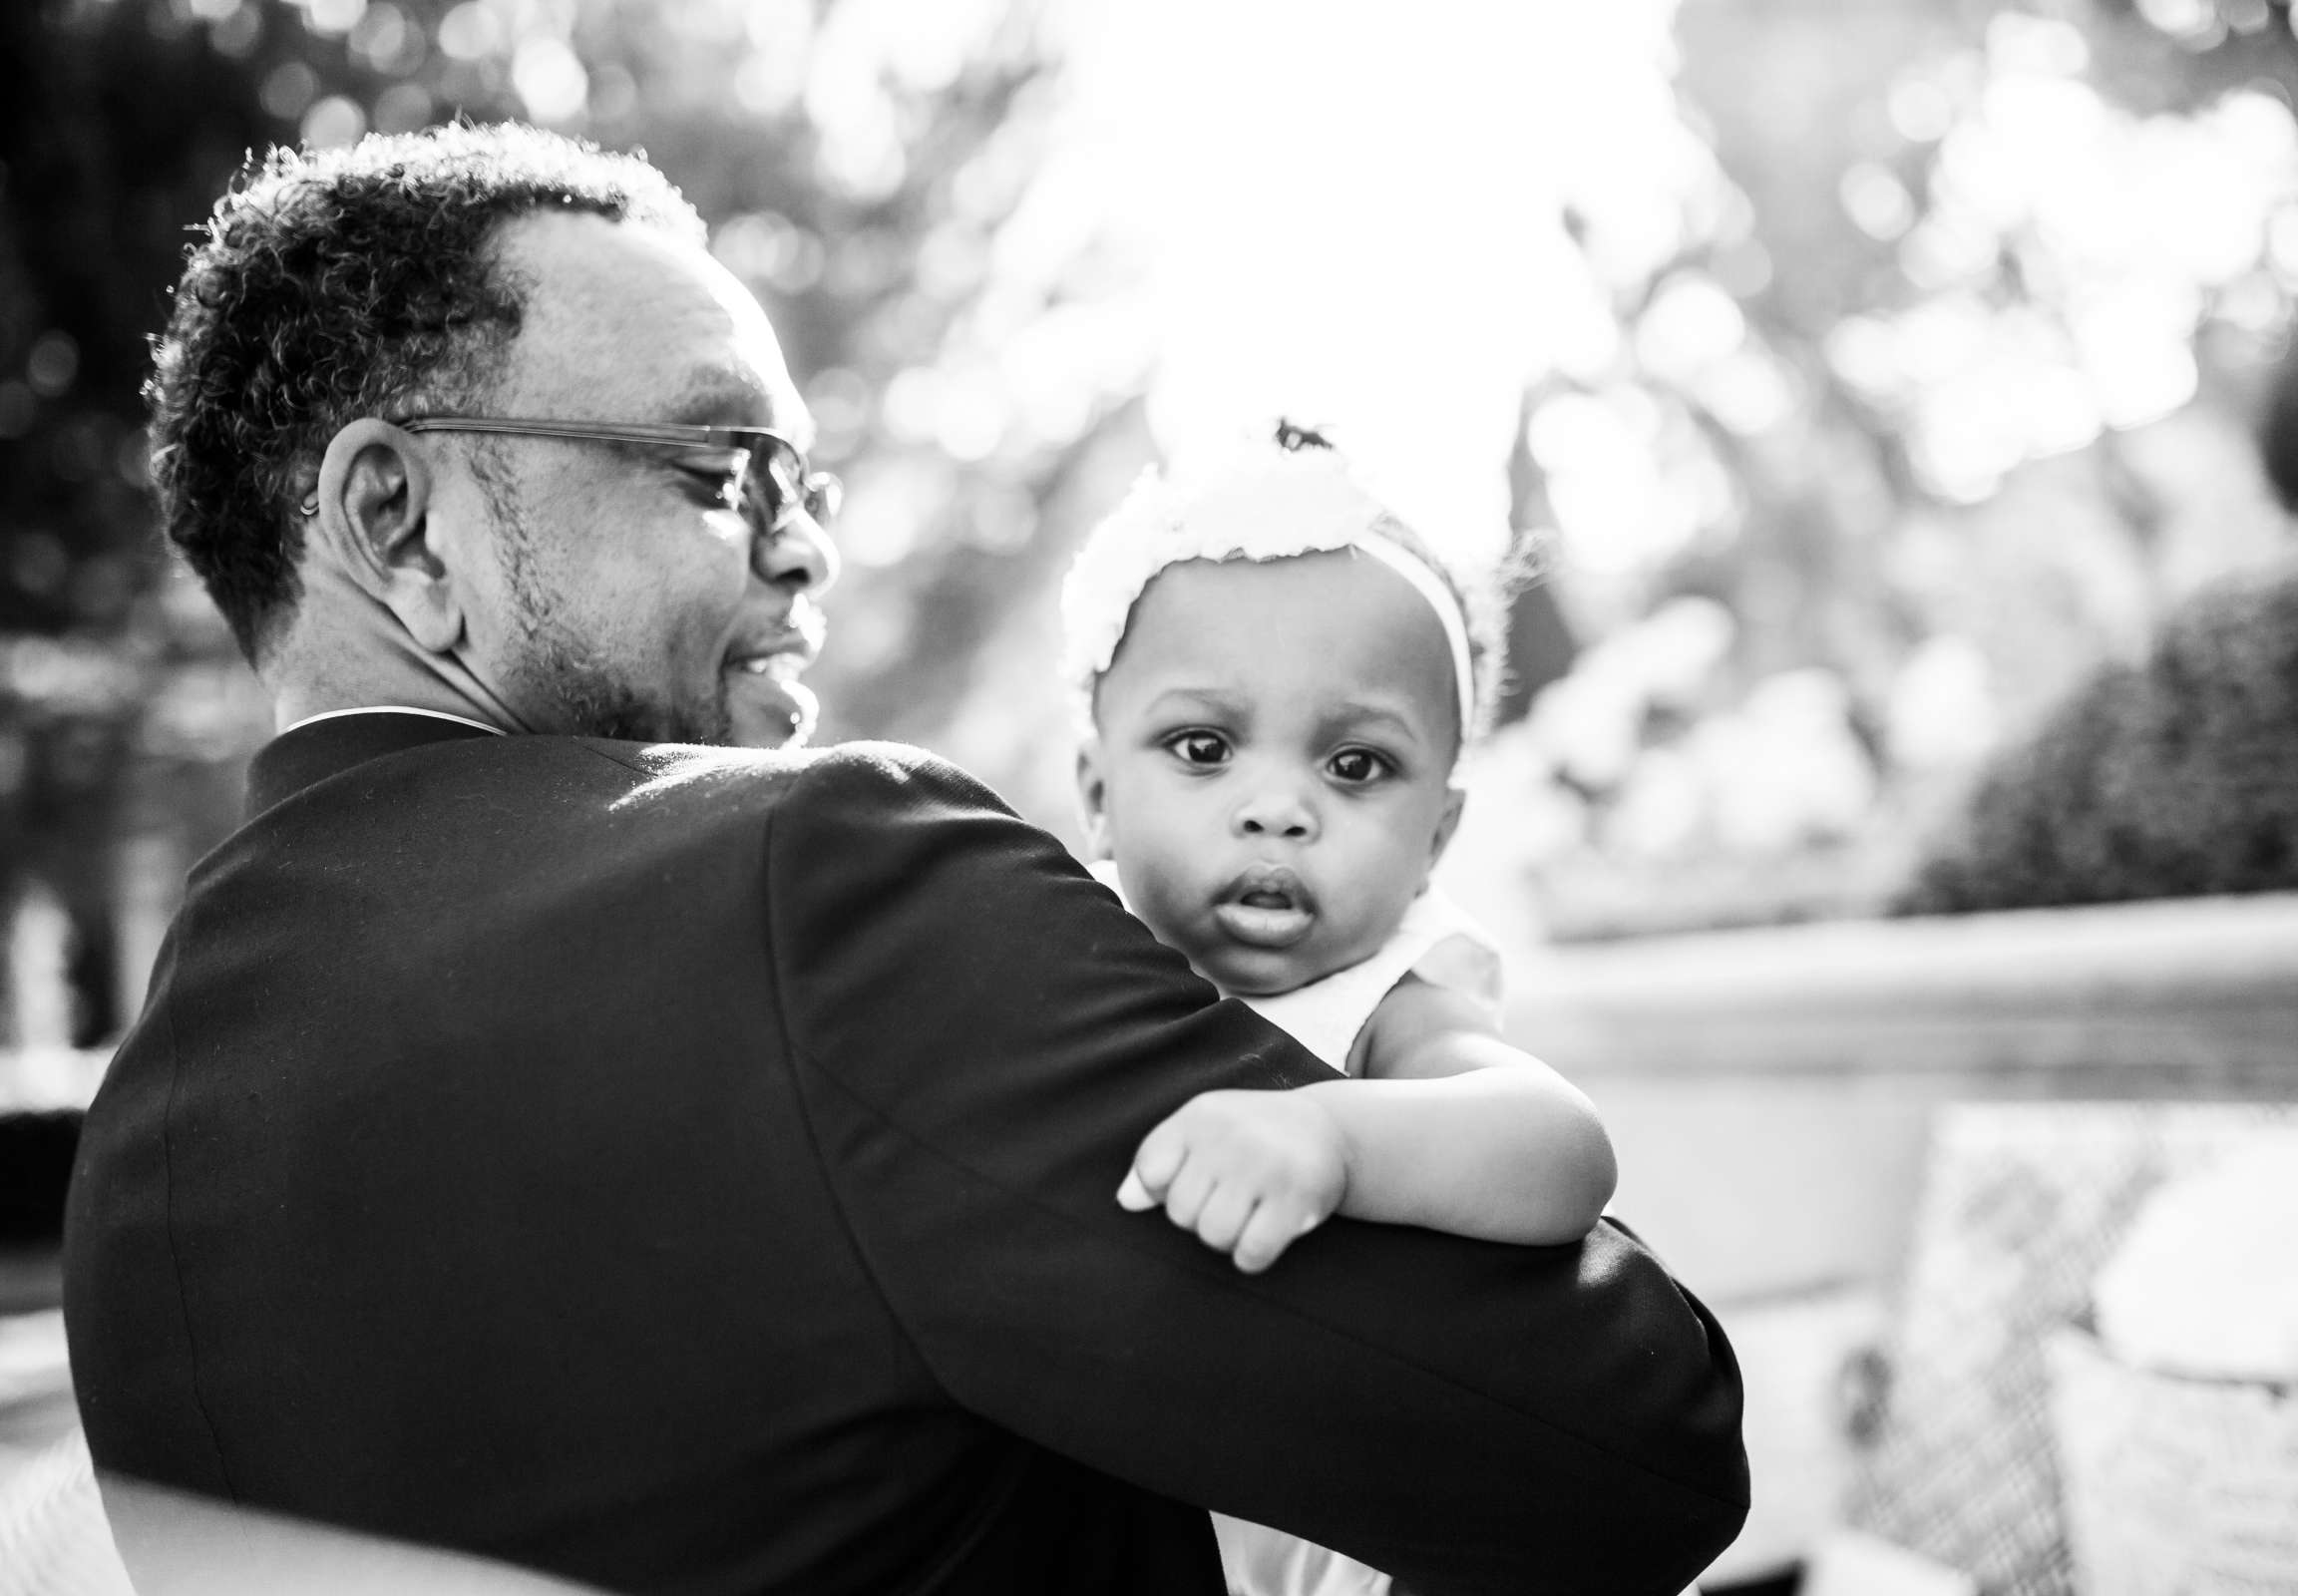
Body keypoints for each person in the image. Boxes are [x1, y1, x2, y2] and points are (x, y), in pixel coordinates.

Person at [63, 123, 1746, 1596]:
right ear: (396, 523)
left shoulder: (132, 1182)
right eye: (727, 471)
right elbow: (1632, 1444)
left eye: (812, 484)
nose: (805, 555)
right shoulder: (816, 888)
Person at [1062, 429, 1618, 1596]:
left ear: (1439, 840)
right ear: (1099, 794)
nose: (1277, 808)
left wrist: (1337, 1135)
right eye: (1204, 747)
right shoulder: (1058, 965)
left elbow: (1559, 1143)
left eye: (1356, 766)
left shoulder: (1377, 1003)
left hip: (1370, 1536)